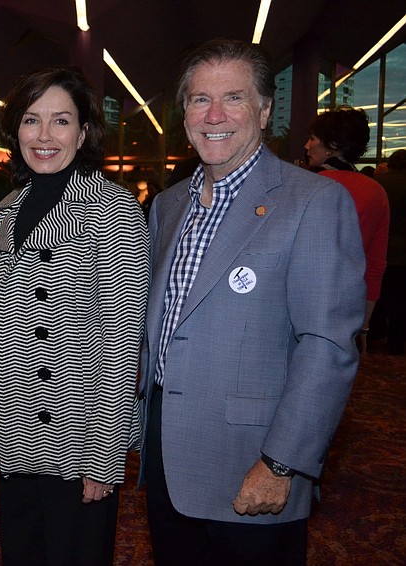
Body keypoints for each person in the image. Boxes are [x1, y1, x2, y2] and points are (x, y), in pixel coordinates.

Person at [139, 39, 365, 565]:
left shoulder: (313, 201)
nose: (214, 115)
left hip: (253, 462)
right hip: (168, 457)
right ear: (185, 114)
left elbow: (327, 346)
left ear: (264, 111)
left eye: (233, 98)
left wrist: (282, 462)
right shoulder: (169, 205)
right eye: (200, 99)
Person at [0, 66, 149, 565]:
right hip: (15, 437)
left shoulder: (113, 208)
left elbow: (122, 345)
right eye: (31, 120)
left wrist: (104, 457)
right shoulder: (10, 208)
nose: (44, 135)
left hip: (77, 444)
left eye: (61, 121)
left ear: (83, 132)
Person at [305, 106, 390, 352]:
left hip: (303, 303)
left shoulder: (307, 187)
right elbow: (375, 265)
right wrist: (364, 326)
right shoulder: (376, 192)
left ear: (332, 146)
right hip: (347, 309)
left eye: (313, 138)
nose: (306, 145)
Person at [375, 149, 406, 354]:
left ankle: (375, 333)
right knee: (401, 299)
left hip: (381, 246)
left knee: (380, 293)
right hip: (403, 250)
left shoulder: (379, 184)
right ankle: (396, 342)